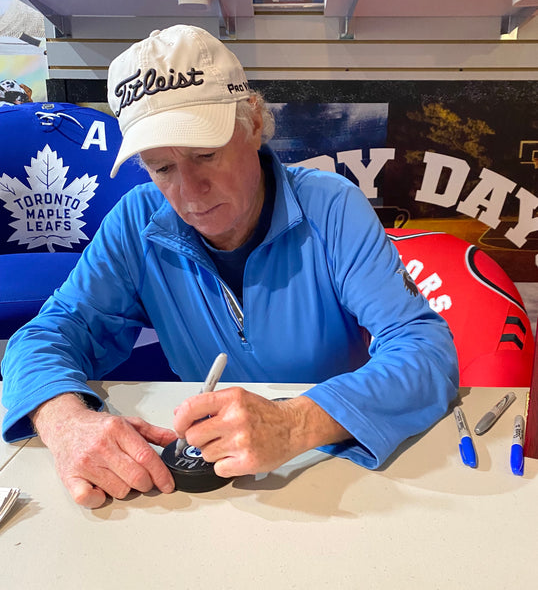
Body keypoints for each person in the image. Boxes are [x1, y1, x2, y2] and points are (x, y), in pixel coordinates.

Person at [1, 25, 458, 509]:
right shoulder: (136, 222)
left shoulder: (333, 208)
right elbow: (46, 335)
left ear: (254, 122)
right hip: (206, 493)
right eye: (162, 168)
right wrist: (65, 420)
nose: (189, 191)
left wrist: (294, 423)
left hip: (330, 474)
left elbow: (426, 349)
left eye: (206, 154)